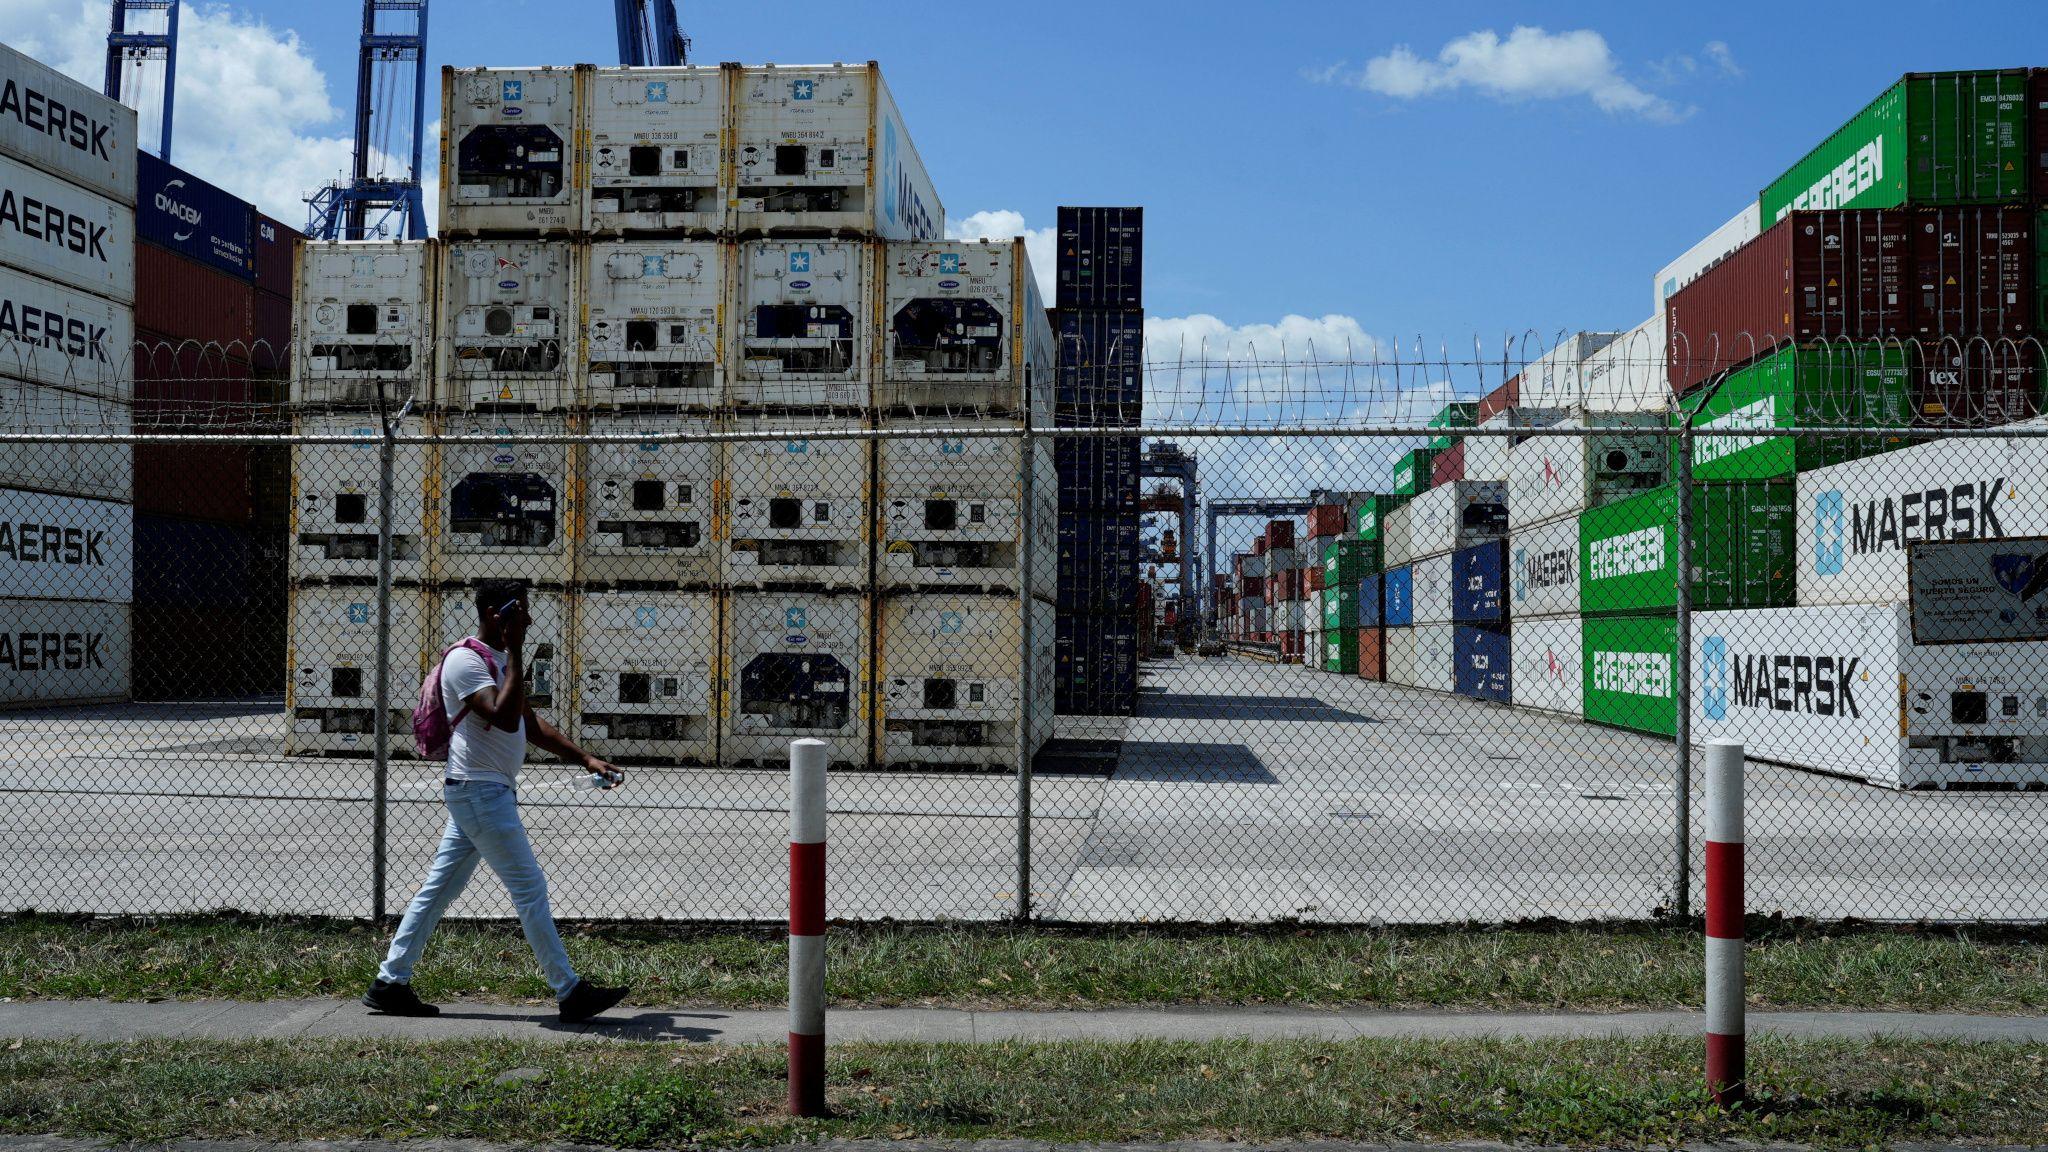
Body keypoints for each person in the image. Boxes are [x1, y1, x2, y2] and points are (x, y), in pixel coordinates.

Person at [364, 580, 631, 1023]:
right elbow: (504, 719)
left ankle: (389, 983)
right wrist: (519, 653)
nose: (527, 619)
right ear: (495, 614)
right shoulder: (466, 661)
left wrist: (584, 758)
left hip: (481, 792)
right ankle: (569, 992)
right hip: (479, 792)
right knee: (529, 887)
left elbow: (530, 723)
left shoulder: (499, 661)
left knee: (438, 891)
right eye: (520, 611)